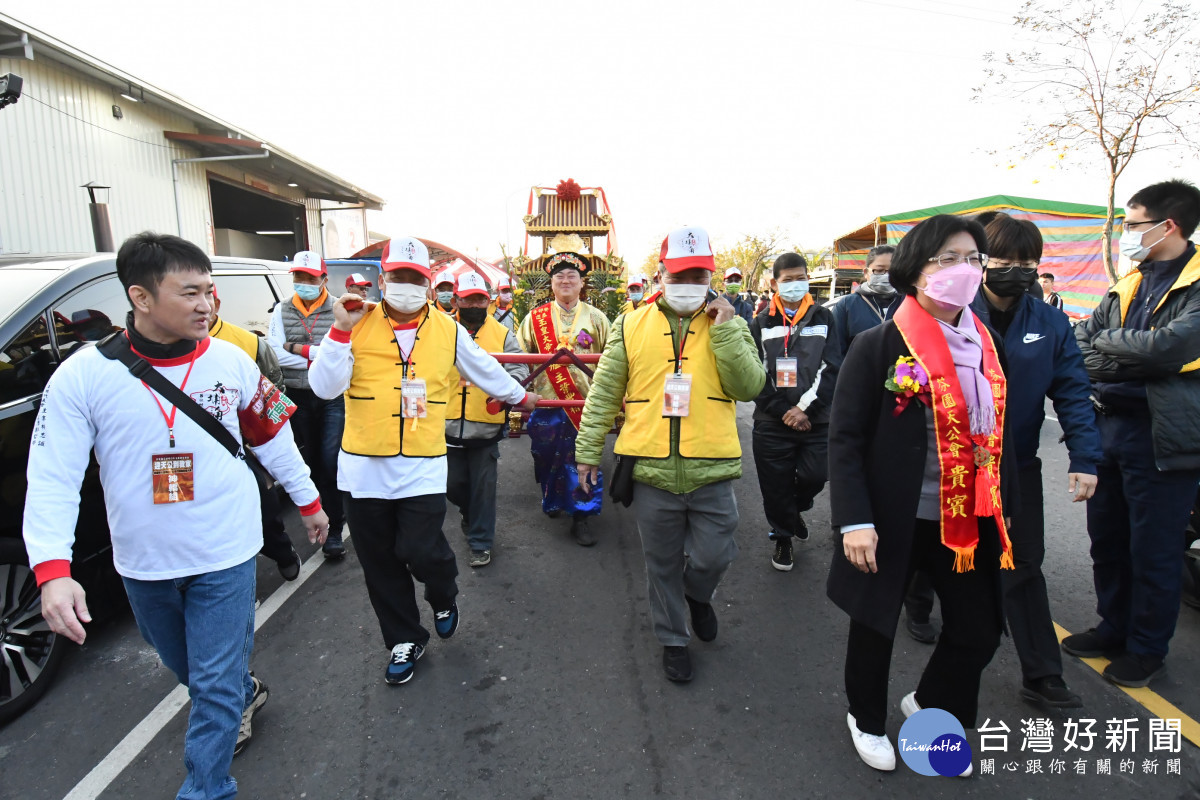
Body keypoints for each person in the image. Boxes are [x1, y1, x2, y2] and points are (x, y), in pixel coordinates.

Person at [25, 233, 329, 799]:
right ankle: (242, 688)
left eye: (211, 292)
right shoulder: (81, 377)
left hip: (227, 551)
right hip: (143, 563)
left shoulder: (232, 362)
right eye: (190, 293)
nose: (207, 306)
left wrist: (308, 501)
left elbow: (274, 437)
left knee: (211, 686)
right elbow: (51, 476)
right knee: (193, 668)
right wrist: (52, 569)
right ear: (140, 297)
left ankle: (206, 787)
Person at [827, 215, 1017, 773]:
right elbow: (845, 439)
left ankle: (932, 704)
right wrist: (854, 519)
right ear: (917, 271)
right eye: (948, 259)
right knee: (876, 623)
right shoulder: (878, 345)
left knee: (979, 629)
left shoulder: (987, 344)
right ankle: (865, 717)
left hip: (964, 514)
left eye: (972, 259)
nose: (964, 270)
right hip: (892, 515)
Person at [309, 237, 538, 686]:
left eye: (416, 278)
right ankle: (404, 638)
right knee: (380, 563)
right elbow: (323, 387)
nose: (407, 286)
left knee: (421, 549)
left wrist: (520, 395)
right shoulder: (354, 322)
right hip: (363, 468)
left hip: (421, 466)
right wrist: (338, 331)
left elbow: (484, 368)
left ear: (429, 284)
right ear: (383, 280)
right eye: (398, 277)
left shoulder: (447, 329)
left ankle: (443, 594)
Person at [906, 213, 1102, 707]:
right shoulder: (950, 313)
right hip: (946, 465)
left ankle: (1042, 673)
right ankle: (919, 600)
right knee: (938, 555)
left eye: (1026, 262)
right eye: (1003, 260)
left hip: (1013, 468)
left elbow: (1074, 394)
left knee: (1024, 564)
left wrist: (1085, 456)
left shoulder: (1051, 324)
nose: (1014, 269)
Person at [575, 226, 766, 682]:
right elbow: (604, 392)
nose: (687, 285)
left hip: (712, 466)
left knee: (714, 556)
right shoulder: (630, 323)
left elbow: (750, 386)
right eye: (678, 275)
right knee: (659, 564)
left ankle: (698, 595)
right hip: (651, 467)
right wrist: (586, 453)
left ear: (710, 276)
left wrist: (725, 332)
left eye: (697, 275)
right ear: (660, 274)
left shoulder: (731, 323)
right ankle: (673, 639)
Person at [1069, 179, 1200, 688]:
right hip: (1110, 428)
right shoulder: (1130, 281)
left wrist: (1111, 349)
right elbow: (1081, 345)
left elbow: (1171, 347)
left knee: (1155, 549)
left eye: (1132, 223)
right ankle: (1113, 627)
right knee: (1108, 540)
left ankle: (1146, 649)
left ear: (1167, 226)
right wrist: (1125, 354)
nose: (1124, 233)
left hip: (1163, 438)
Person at [750, 253, 840, 571]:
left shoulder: (824, 318)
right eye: (787, 279)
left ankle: (794, 510)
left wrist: (804, 409)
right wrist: (783, 409)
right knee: (775, 484)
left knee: (816, 475)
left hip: (816, 419)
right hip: (772, 421)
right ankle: (784, 537)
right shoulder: (760, 322)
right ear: (774, 283)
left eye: (799, 277)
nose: (794, 284)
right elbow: (756, 374)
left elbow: (832, 367)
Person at [516, 252, 611, 546]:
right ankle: (552, 498)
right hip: (545, 402)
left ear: (582, 284)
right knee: (547, 456)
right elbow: (520, 357)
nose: (566, 281)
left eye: (572, 276)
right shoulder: (536, 318)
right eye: (559, 277)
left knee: (582, 458)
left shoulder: (597, 318)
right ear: (551, 285)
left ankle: (581, 515)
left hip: (585, 403)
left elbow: (612, 360)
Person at [208, 286, 301, 582]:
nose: (197, 306)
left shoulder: (247, 344)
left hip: (247, 446)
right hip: (196, 461)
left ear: (217, 302)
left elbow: (275, 393)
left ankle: (282, 551)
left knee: (265, 508)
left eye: (203, 295)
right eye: (186, 294)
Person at [267, 250, 347, 560]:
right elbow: (275, 354)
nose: (303, 283)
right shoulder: (281, 310)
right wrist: (319, 353)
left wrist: (297, 349)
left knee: (329, 460)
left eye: (310, 278)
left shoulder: (340, 308)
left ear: (323, 279)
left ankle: (336, 528)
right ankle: (322, 518)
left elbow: (342, 353)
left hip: (330, 396)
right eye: (298, 277)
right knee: (309, 462)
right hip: (296, 395)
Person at [445, 272, 529, 567]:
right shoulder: (442, 330)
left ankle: (480, 542)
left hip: (486, 424)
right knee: (451, 485)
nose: (475, 304)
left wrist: (502, 390)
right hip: (446, 425)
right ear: (456, 300)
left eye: (480, 298)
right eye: (468, 298)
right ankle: (469, 514)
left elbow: (520, 370)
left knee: (483, 487)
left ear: (489, 300)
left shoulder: (503, 334)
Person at [830, 245, 901, 359]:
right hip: (857, 374)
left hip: (902, 375)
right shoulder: (847, 305)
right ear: (866, 272)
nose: (886, 276)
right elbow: (835, 352)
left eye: (892, 271)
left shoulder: (908, 303)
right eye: (879, 270)